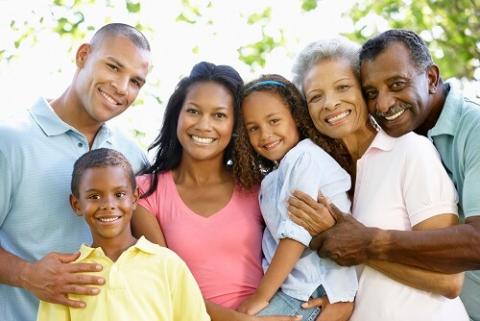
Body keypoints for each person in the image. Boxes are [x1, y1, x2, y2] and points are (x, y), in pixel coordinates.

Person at [291, 29, 480, 321]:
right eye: (316, 96)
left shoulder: (410, 149)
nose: (330, 103)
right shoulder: (325, 176)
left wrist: (359, 244)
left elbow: (449, 282)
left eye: (342, 87)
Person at [0, 23, 151, 321]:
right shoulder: (11, 141)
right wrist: (26, 274)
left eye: (135, 81)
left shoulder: (134, 156)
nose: (122, 87)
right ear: (83, 55)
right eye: (113, 67)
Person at [131, 62, 300, 321]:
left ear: (235, 126)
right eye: (193, 111)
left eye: (219, 115)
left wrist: (331, 298)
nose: (204, 125)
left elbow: (300, 248)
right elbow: (164, 285)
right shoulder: (145, 192)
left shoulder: (258, 187)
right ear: (177, 115)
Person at [233, 74, 357, 320]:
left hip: (312, 288)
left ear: (296, 118)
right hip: (293, 287)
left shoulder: (304, 158)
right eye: (253, 128)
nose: (265, 134)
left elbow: (296, 234)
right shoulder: (273, 178)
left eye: (274, 121)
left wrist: (261, 296)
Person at [36, 148, 209, 321]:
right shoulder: (65, 276)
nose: (108, 205)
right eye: (94, 196)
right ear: (76, 204)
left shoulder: (168, 264)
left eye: (119, 194)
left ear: (134, 198)